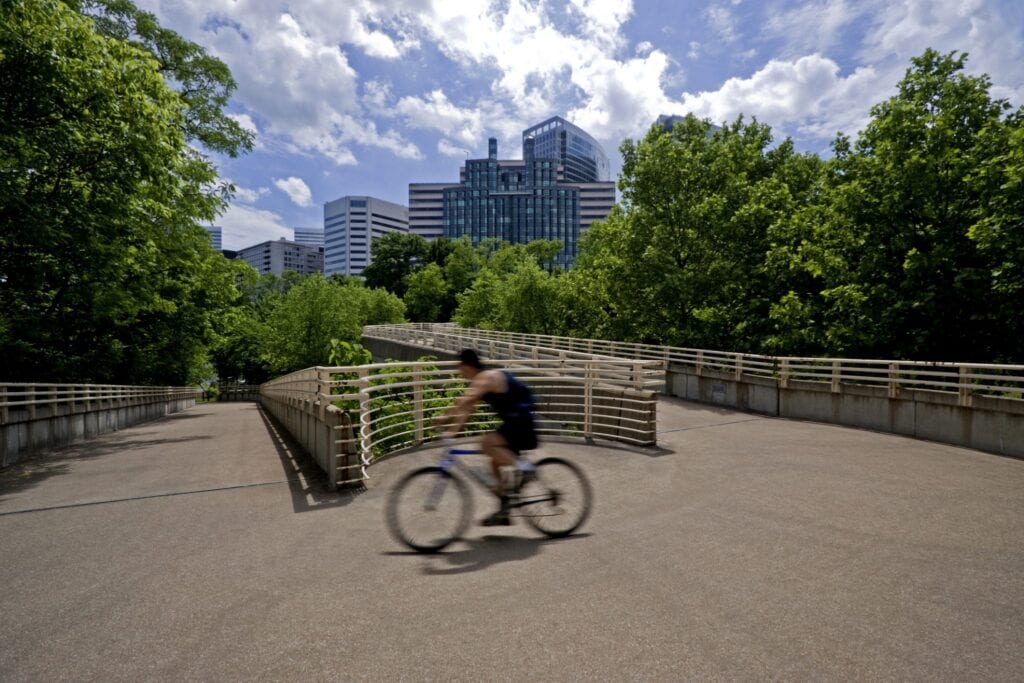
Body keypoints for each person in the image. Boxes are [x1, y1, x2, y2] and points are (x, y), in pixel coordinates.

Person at [437, 349, 538, 526]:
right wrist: (451, 432)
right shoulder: (478, 382)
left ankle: (526, 468)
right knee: (494, 463)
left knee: (487, 444)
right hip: (514, 422)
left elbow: (466, 400)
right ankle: (504, 510)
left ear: (467, 366)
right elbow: (467, 411)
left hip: (521, 421)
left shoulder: (486, 378)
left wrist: (444, 417)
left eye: (459, 366)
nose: (458, 371)